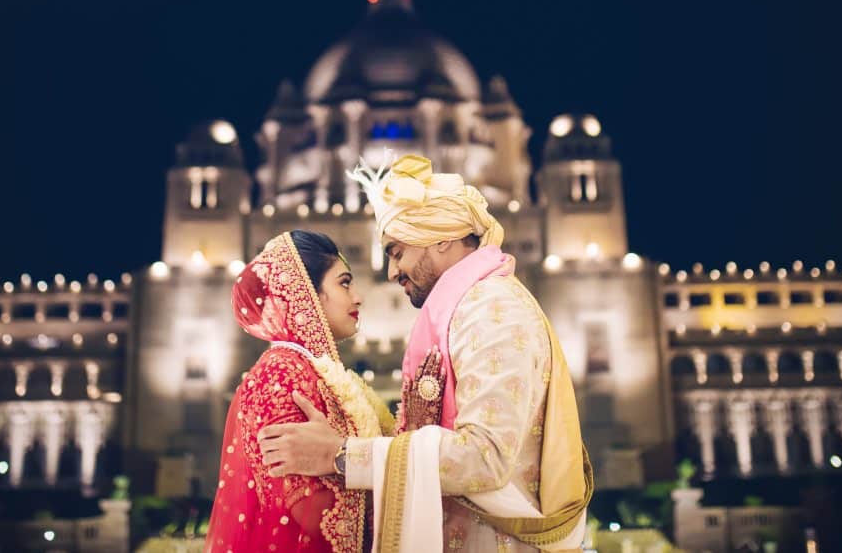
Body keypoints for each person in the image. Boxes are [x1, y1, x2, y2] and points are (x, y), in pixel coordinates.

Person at [256, 156, 592, 552]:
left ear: (442, 237)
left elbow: (485, 458)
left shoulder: (492, 311)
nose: (391, 271)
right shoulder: (466, 309)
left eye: (397, 252)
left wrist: (341, 455)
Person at [207, 230, 420, 553]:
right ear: (306, 294)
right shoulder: (280, 373)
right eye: (345, 283)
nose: (358, 297)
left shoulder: (314, 370)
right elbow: (311, 510)